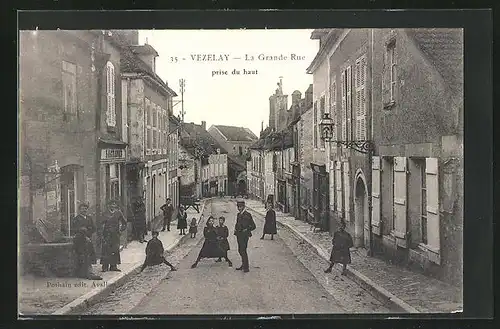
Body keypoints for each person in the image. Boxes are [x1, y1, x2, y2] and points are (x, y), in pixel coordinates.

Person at [100, 200, 127, 272]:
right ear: (108, 205)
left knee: (115, 249)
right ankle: (105, 266)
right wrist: (102, 234)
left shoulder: (118, 213)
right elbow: (101, 224)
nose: (112, 206)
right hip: (107, 234)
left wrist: (121, 230)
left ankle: (113, 266)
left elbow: (124, 222)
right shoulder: (105, 213)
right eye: (111, 204)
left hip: (115, 234)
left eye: (114, 204)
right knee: (106, 249)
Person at [234, 200, 256, 273]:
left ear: (244, 207)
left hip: (244, 236)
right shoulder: (238, 214)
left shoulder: (247, 215)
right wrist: (235, 229)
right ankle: (243, 264)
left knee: (243, 250)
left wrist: (246, 229)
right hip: (238, 235)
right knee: (240, 250)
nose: (239, 208)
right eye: (238, 207)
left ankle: (246, 267)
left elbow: (253, 226)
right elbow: (237, 224)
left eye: (240, 207)